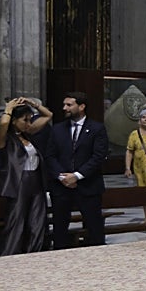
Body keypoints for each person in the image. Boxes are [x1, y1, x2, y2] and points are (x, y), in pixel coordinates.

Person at [45, 91, 109, 249]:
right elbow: (50, 155)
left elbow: (98, 156)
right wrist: (62, 177)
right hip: (62, 187)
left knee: (94, 228)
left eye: (69, 105)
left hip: (88, 185)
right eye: (64, 104)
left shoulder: (96, 128)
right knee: (60, 228)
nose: (64, 108)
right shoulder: (57, 129)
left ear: (81, 107)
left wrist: (77, 176)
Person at [0, 97, 53, 255]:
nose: (29, 124)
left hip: (36, 180)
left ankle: (34, 253)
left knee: (37, 219)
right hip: (18, 182)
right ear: (14, 120)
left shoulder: (28, 134)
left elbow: (48, 115)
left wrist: (32, 104)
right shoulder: (5, 139)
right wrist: (8, 109)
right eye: (25, 120)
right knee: (17, 220)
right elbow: (3, 124)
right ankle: (11, 254)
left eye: (30, 120)